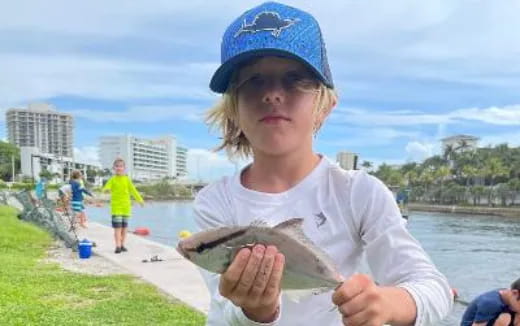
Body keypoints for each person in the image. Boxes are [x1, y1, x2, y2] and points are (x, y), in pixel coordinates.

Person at [193, 2, 453, 325]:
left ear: (324, 103)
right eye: (254, 81)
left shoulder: (359, 192)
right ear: (233, 107)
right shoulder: (213, 203)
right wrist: (256, 311)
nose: (273, 94)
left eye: (294, 79)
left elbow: (435, 288)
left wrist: (388, 302)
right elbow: (225, 308)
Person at [102, 158, 144, 254]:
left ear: (124, 168)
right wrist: (106, 190)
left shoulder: (127, 179)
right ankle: (118, 246)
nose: (119, 168)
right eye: (117, 166)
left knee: (124, 228)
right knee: (118, 228)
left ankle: (122, 244)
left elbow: (133, 191)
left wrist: (140, 200)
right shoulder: (112, 179)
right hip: (116, 208)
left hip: (126, 207)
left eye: (121, 166)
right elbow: (105, 188)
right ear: (114, 168)